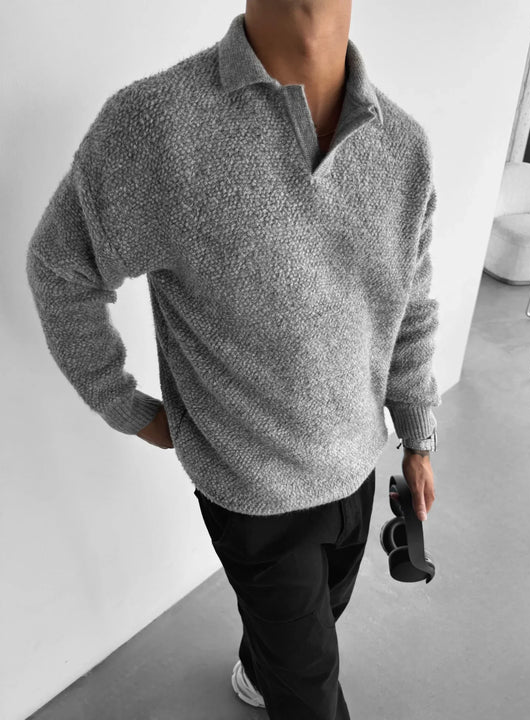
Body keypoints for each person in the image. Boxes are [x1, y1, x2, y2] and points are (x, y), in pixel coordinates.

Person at [26, 1, 440, 718]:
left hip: (355, 463)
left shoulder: (404, 148)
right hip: (249, 490)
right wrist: (128, 407)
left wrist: (417, 435)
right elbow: (60, 269)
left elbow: (412, 309)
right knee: (310, 691)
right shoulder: (155, 127)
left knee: (321, 615)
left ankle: (257, 666)